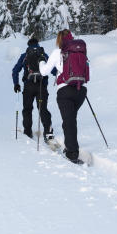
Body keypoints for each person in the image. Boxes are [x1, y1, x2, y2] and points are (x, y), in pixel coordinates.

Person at [39, 29, 87, 164]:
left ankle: (72, 153)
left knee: (69, 122)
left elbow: (44, 72)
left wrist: (41, 62)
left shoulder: (57, 52)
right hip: (81, 91)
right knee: (71, 120)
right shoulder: (80, 50)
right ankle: (70, 147)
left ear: (59, 39)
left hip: (65, 91)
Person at [12, 35, 54, 142]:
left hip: (28, 86)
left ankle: (27, 131)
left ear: (28, 45)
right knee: (42, 108)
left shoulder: (25, 55)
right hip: (41, 86)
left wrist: (16, 84)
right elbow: (53, 70)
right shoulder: (43, 54)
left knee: (27, 109)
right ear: (38, 44)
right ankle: (48, 132)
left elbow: (15, 70)